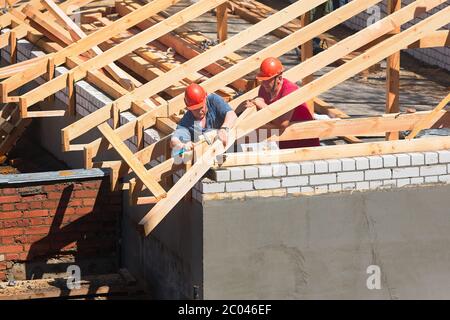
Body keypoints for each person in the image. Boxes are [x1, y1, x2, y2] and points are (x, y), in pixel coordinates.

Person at [241, 57, 320, 149]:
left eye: (268, 80)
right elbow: (262, 116)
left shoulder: (290, 91)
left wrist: (262, 106)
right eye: (262, 80)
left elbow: (282, 123)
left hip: (305, 144)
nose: (264, 83)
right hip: (284, 143)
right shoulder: (263, 89)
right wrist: (252, 105)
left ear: (279, 78)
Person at [170, 83, 237, 154]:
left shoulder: (213, 101)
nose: (200, 111)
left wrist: (224, 129)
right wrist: (182, 146)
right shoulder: (187, 121)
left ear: (206, 98)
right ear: (188, 107)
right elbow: (173, 141)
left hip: (231, 146)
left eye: (201, 107)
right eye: (195, 109)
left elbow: (232, 115)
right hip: (209, 156)